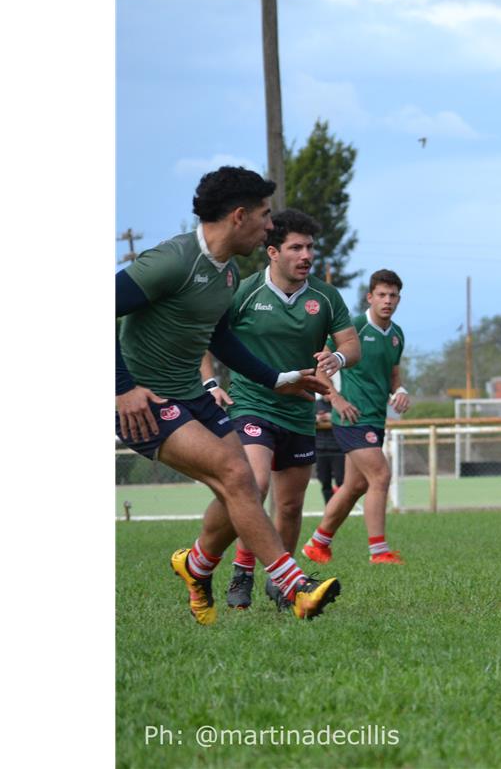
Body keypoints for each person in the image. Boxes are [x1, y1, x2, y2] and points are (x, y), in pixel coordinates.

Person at [115, 166, 340, 624]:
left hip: (191, 396)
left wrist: (279, 379)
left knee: (240, 486)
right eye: (265, 216)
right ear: (239, 217)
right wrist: (122, 389)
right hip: (146, 401)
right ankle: (296, 587)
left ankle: (196, 565)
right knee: (239, 475)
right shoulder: (171, 262)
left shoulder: (229, 273)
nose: (270, 227)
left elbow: (220, 340)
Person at [199, 208, 360, 609]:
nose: (306, 255)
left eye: (310, 247)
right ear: (272, 251)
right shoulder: (245, 291)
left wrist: (336, 360)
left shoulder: (325, 297)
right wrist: (209, 383)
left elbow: (351, 345)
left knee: (289, 506)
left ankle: (284, 585)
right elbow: (202, 333)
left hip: (299, 412)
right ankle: (240, 570)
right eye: (295, 248)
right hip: (252, 404)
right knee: (254, 484)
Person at [302, 270, 410, 565]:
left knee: (355, 486)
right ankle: (379, 551)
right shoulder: (354, 328)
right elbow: (319, 365)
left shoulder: (397, 334)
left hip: (375, 418)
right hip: (352, 418)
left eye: (393, 295)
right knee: (381, 476)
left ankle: (317, 544)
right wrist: (335, 399)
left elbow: (392, 374)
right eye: (382, 295)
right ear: (370, 297)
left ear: (399, 299)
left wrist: (399, 390)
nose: (387, 301)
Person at [314, 393, 346, 503]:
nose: (327, 394)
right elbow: (305, 419)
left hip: (338, 449)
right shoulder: (315, 404)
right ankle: (329, 507)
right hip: (320, 449)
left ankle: (341, 507)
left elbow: (348, 417)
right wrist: (316, 418)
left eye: (329, 392)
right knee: (325, 482)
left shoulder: (339, 404)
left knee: (341, 481)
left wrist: (333, 417)